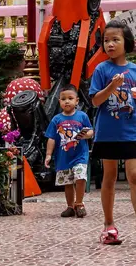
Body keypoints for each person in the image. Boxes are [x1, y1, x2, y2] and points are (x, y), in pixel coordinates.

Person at [89, 19, 136, 249]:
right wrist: (111, 86)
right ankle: (109, 226)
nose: (110, 44)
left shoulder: (135, 70)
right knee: (108, 178)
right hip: (107, 133)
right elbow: (96, 100)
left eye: (115, 39)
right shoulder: (101, 70)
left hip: (131, 131)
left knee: (135, 176)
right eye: (106, 40)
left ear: (126, 42)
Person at [44, 84, 94, 218]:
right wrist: (48, 154)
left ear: (76, 101)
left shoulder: (82, 116)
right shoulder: (56, 119)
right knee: (67, 182)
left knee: (80, 177)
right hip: (63, 157)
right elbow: (51, 138)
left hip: (80, 155)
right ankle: (70, 206)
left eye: (70, 98)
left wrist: (87, 134)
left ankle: (79, 203)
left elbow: (91, 131)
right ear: (59, 101)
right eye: (63, 98)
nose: (67, 101)